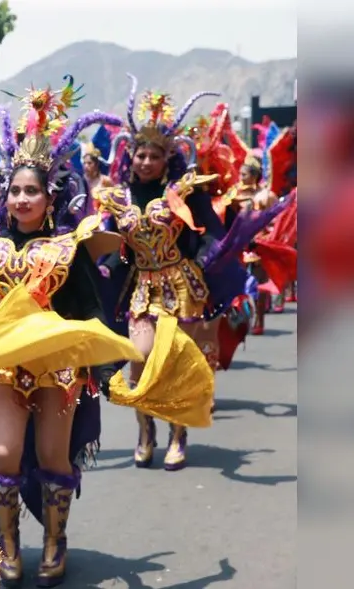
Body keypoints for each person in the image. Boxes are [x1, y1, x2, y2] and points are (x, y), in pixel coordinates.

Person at [0, 84, 129, 588]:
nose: (21, 198)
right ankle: (8, 547)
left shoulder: (69, 247)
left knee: (52, 456)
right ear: (4, 197)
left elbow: (92, 309)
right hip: (3, 367)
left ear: (50, 198)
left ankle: (54, 540)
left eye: (32, 191)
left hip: (61, 368)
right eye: (14, 191)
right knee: (1, 456)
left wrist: (108, 368)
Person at [94, 75, 276, 470]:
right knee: (139, 358)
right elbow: (110, 244)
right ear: (131, 156)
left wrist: (213, 255)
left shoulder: (186, 192)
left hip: (182, 287)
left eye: (153, 156)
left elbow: (210, 233)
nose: (145, 162)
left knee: (176, 362)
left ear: (166, 160)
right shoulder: (117, 197)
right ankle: (146, 432)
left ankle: (178, 434)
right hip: (141, 289)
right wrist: (102, 271)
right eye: (140, 155)